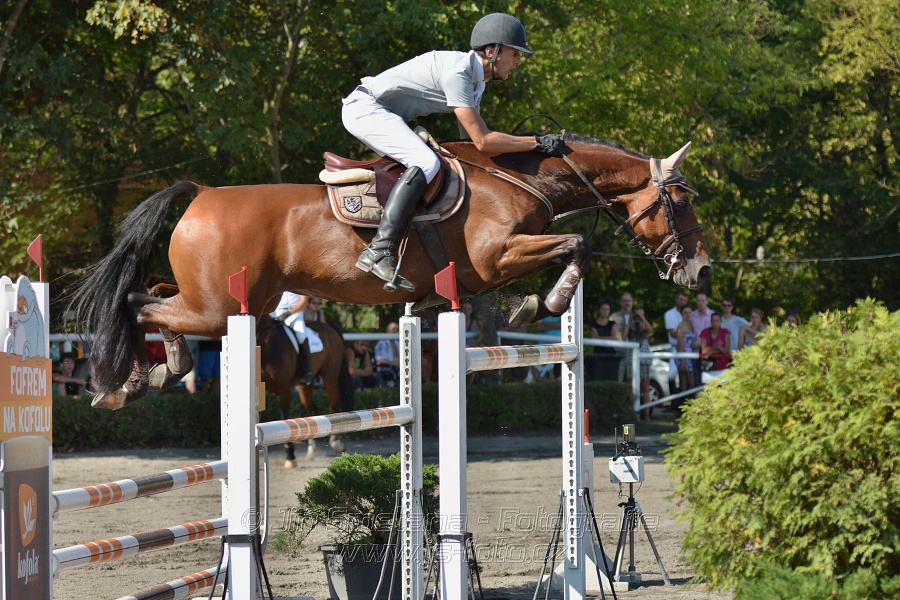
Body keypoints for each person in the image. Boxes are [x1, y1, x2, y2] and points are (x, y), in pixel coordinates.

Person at [342, 13, 565, 292]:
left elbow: (468, 146)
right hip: (366, 110)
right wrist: (536, 143)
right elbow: (482, 141)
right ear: (491, 51)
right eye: (515, 53)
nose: (519, 60)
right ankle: (378, 250)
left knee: (443, 163)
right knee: (425, 162)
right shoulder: (458, 74)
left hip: (385, 114)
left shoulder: (477, 81)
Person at [272, 292, 314, 385]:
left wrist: (287, 313)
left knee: (301, 335)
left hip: (294, 314)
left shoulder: (300, 281)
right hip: (275, 313)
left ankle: (307, 371)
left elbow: (304, 302)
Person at [623, 305, 654, 421]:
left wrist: (643, 319)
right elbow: (624, 336)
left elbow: (651, 331)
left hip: (644, 356)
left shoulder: (644, 325)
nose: (639, 317)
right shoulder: (631, 324)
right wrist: (630, 321)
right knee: (631, 386)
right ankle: (632, 412)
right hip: (632, 356)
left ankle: (646, 414)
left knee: (645, 387)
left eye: (641, 314)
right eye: (637, 314)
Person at [675, 305, 698, 412]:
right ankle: (684, 408)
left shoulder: (691, 325)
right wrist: (683, 361)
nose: (688, 315)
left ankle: (690, 408)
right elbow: (680, 345)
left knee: (691, 383)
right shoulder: (681, 327)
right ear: (682, 314)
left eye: (689, 312)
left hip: (691, 355)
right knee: (687, 383)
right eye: (685, 313)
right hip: (684, 356)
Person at [664, 291, 689, 387]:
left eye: (684, 300)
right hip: (675, 348)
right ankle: (674, 400)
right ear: (676, 299)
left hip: (688, 348)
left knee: (687, 375)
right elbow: (673, 333)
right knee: (672, 375)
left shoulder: (690, 314)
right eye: (680, 299)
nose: (682, 302)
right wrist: (684, 332)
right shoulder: (669, 314)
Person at [610, 293, 634, 381]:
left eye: (629, 301)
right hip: (619, 351)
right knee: (618, 377)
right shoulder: (614, 316)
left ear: (632, 302)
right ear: (620, 302)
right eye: (625, 301)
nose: (627, 303)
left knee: (632, 378)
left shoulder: (637, 316)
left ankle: (633, 395)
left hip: (633, 351)